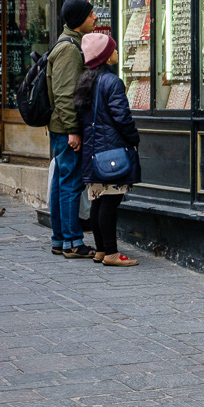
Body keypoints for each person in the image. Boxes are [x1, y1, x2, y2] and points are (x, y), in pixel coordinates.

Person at [73, 33, 142, 266]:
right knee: (110, 202)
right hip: (112, 151)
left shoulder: (86, 81)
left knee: (98, 201)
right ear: (105, 56)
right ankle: (111, 253)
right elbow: (122, 117)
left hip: (93, 152)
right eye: (113, 50)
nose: (116, 53)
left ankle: (101, 250)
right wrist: (134, 138)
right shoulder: (112, 82)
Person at [48, 0, 97, 259]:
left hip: (61, 126)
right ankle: (73, 242)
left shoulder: (67, 43)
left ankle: (60, 239)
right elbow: (65, 95)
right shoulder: (69, 49)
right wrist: (73, 130)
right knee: (70, 182)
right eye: (91, 15)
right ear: (79, 20)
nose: (95, 19)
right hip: (66, 127)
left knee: (61, 181)